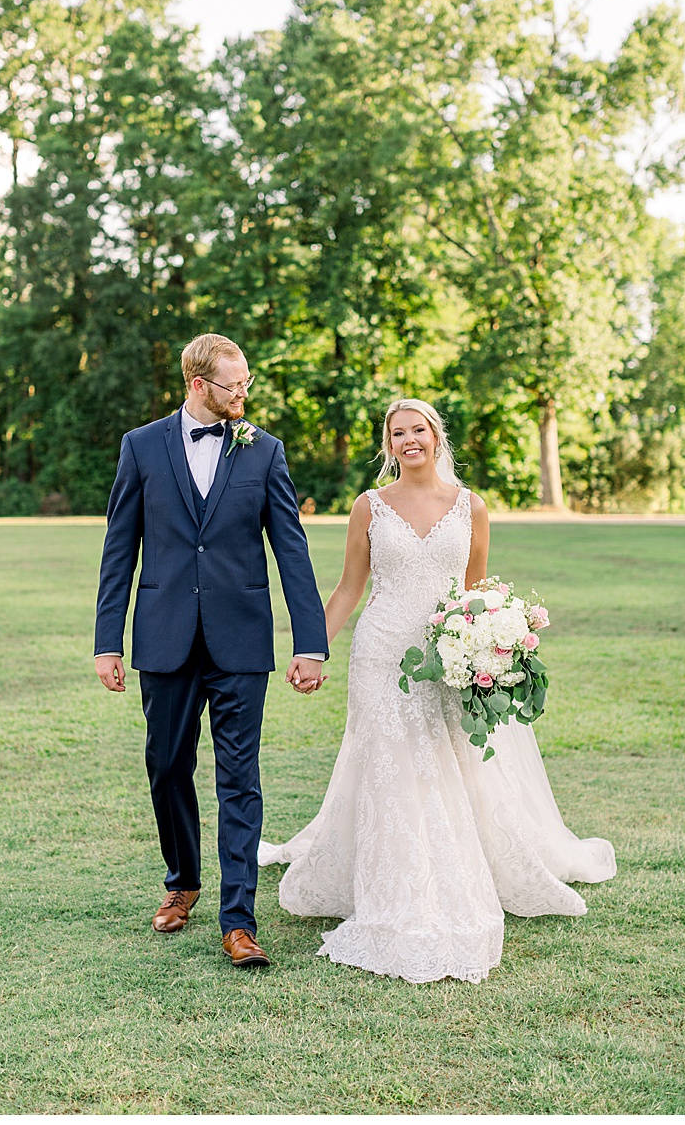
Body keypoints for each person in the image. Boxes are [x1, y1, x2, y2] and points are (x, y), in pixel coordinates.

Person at [260, 398, 616, 983]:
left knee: (456, 764)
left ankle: (476, 865)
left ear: (435, 435)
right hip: (381, 656)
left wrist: (490, 645)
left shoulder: (471, 507)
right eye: (397, 433)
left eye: (417, 430)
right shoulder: (368, 507)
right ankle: (395, 885)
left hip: (448, 658)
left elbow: (475, 591)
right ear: (388, 444)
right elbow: (350, 588)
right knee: (393, 766)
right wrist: (312, 650)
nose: (408, 441)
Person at [93, 333, 329, 968]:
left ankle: (239, 921)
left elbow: (292, 550)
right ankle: (182, 881)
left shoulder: (265, 450)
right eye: (235, 384)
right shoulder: (141, 447)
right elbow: (121, 546)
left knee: (239, 779)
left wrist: (311, 643)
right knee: (167, 767)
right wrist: (105, 639)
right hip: (164, 639)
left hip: (240, 642)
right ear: (198, 385)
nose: (244, 392)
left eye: (246, 382)